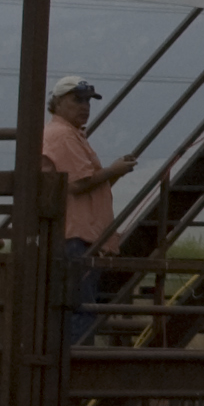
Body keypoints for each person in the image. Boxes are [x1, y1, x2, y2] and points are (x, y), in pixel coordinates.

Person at [40, 77, 137, 348]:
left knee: (77, 308)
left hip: (78, 234)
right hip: (75, 236)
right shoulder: (62, 136)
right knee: (80, 310)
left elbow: (84, 183)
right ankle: (76, 377)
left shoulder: (70, 135)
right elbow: (78, 183)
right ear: (58, 102)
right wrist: (113, 170)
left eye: (87, 101)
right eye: (77, 99)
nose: (84, 107)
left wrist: (109, 174)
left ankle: (71, 375)